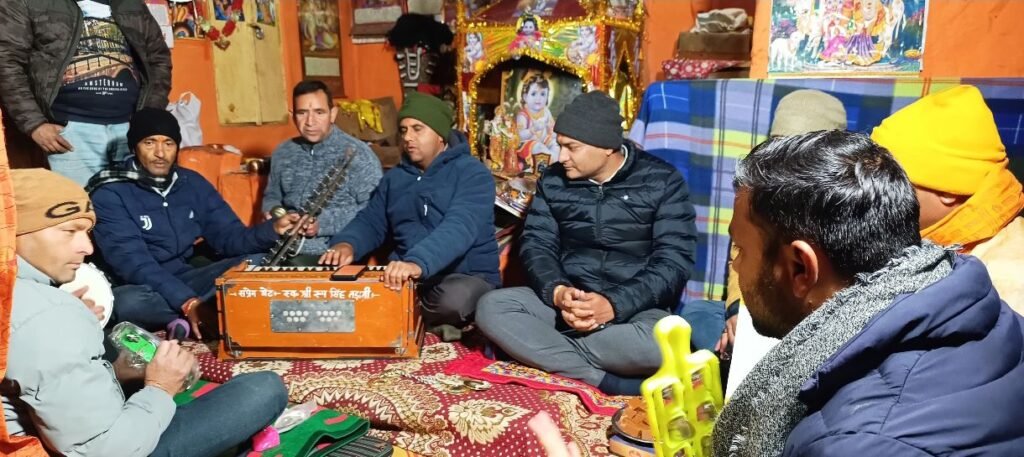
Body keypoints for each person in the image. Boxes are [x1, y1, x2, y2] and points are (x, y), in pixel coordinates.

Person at [712, 130, 1024, 456]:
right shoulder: (966, 297)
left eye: (741, 249)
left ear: (801, 268)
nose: (735, 266)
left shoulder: (853, 443)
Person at [3, 168, 288, 457]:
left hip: (184, 278)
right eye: (69, 232)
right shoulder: (48, 314)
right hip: (113, 449)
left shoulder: (20, 295)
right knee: (264, 388)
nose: (87, 247)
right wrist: (160, 388)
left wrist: (114, 374)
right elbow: (103, 450)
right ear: (15, 230)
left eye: (86, 232)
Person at [475, 91, 698, 395]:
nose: (561, 157)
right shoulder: (554, 181)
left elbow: (674, 263)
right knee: (491, 308)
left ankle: (540, 350)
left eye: (571, 147)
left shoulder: (662, 181)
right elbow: (537, 244)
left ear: (607, 147)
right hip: (567, 307)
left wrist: (613, 305)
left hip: (635, 312)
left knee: (660, 345)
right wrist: (558, 291)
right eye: (560, 145)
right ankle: (605, 380)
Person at [89, 108, 301, 339]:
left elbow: (229, 237)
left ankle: (191, 313)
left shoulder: (191, 183)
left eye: (168, 143)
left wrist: (273, 229)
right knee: (128, 304)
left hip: (187, 277)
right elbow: (134, 264)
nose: (160, 153)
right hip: (141, 284)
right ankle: (200, 310)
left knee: (257, 263)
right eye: (149, 143)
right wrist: (187, 301)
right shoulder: (110, 192)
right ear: (134, 147)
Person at [320, 92, 499, 334]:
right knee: (351, 294)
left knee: (453, 300)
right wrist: (347, 244)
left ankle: (405, 314)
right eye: (403, 130)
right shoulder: (395, 178)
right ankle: (409, 313)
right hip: (410, 278)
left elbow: (459, 226)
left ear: (440, 134)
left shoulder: (472, 173)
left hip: (465, 276)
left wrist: (416, 262)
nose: (408, 137)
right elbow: (372, 221)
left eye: (417, 129)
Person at [697, 89, 848, 356]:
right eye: (781, 149)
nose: (788, 162)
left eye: (801, 151)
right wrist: (738, 313)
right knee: (697, 313)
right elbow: (742, 257)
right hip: (761, 307)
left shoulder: (850, 201)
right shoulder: (759, 191)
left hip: (818, 323)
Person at [872, 85, 1024, 314]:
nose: (871, 192)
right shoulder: (921, 238)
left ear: (948, 191)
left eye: (889, 180)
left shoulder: (1006, 285)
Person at [0, 0, 172, 184]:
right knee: (79, 201)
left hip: (129, 130)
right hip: (68, 132)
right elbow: (6, 61)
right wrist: (35, 124)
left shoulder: (131, 4)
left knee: (132, 201)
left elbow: (159, 60)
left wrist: (146, 122)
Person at [262, 80, 383, 266]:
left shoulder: (359, 155)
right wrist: (276, 214)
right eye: (302, 113)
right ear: (292, 115)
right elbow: (272, 197)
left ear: (333, 114)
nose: (310, 122)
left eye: (319, 112)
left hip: (332, 253)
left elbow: (374, 212)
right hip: (281, 248)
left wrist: (322, 223)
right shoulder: (283, 152)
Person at [515, 74, 559, 171]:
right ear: (525, 97)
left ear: (547, 97)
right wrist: (532, 130)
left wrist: (553, 132)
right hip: (527, 145)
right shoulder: (523, 115)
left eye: (542, 94)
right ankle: (542, 167)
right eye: (534, 94)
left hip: (543, 141)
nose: (538, 98)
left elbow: (551, 127)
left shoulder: (546, 111)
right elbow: (519, 135)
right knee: (538, 147)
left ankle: (554, 162)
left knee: (555, 144)